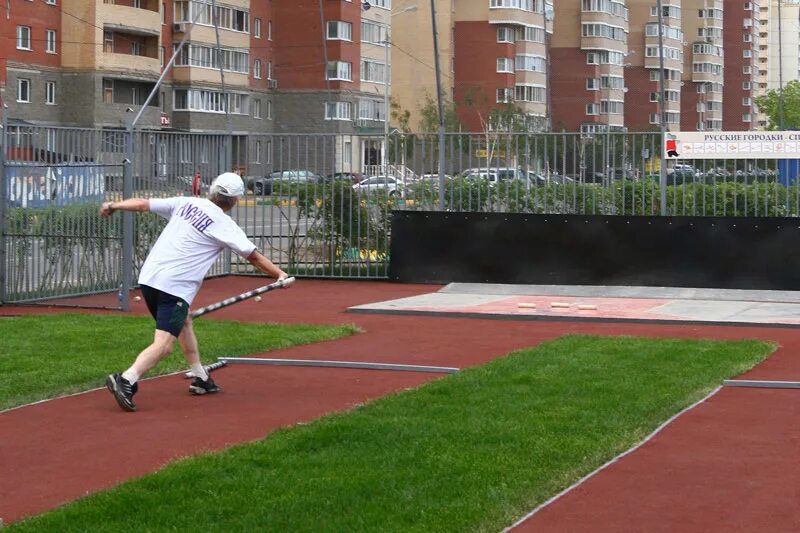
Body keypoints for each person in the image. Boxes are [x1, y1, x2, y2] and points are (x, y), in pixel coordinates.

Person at [99, 172, 289, 412]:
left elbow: (142, 204)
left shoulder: (186, 202)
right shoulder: (224, 224)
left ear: (213, 191)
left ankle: (201, 378)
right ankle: (126, 379)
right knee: (165, 344)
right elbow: (253, 256)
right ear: (235, 200)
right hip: (174, 286)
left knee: (184, 321)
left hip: (149, 279)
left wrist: (113, 204)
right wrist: (280, 275)